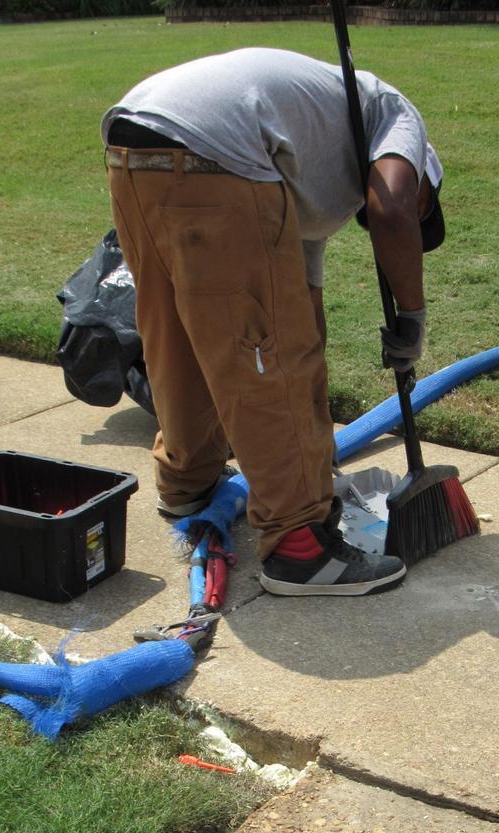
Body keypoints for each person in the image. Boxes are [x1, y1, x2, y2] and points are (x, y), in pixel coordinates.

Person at [101, 47, 445, 596]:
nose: (415, 214)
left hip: (134, 141)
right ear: (422, 170)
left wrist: (311, 442)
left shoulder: (319, 155)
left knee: (180, 333)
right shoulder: (393, 115)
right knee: (268, 355)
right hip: (221, 155)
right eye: (426, 204)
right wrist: (414, 316)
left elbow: (298, 298)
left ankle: (188, 482)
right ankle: (299, 547)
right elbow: (391, 213)